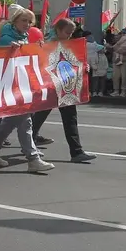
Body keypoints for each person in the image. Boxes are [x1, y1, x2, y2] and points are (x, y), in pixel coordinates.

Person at [0, 6, 55, 174]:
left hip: (21, 84)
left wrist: (37, 48)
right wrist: (12, 49)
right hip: (10, 85)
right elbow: (1, 57)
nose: (27, 24)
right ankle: (33, 158)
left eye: (29, 21)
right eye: (23, 20)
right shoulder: (7, 38)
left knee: (11, 121)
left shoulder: (23, 37)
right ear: (14, 21)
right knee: (25, 120)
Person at [30, 18, 96, 162]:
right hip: (50, 86)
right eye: (67, 32)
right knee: (40, 116)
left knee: (70, 118)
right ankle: (29, 144)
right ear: (58, 30)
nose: (69, 35)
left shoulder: (69, 45)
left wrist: (83, 66)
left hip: (65, 87)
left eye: (71, 33)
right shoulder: (47, 44)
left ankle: (76, 152)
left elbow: (73, 61)